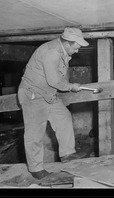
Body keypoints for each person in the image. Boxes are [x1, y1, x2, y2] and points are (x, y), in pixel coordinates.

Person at [18, 27, 89, 179]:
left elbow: (60, 76)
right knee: (34, 132)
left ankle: (67, 154)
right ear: (68, 43)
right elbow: (54, 80)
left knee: (63, 116)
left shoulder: (63, 51)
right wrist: (71, 87)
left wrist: (68, 84)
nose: (77, 51)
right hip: (34, 95)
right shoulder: (51, 52)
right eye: (76, 47)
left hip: (48, 93)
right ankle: (36, 168)